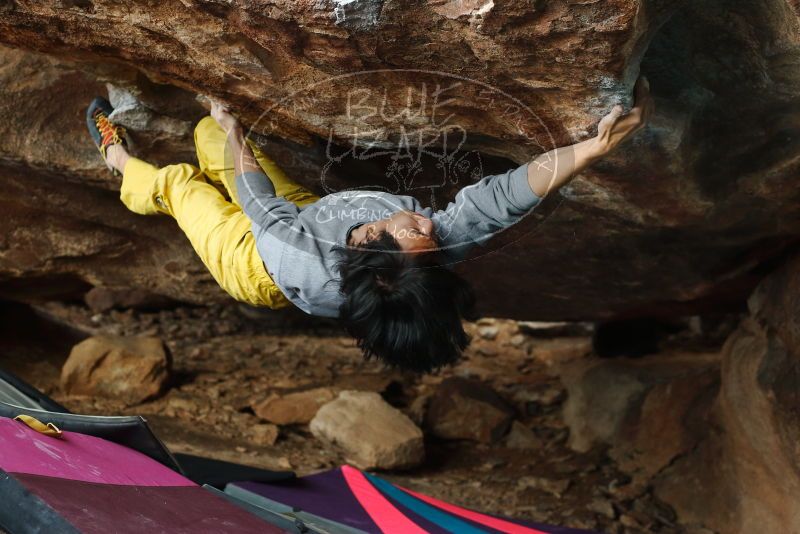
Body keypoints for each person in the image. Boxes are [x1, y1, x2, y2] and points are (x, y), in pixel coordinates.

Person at [86, 78, 653, 372]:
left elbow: (256, 195)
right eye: (430, 238)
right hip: (307, 212)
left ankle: (118, 163)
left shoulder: (299, 250)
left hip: (253, 258)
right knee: (209, 137)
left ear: (369, 244)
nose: (428, 223)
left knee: (184, 182)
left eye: (415, 231)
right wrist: (590, 150)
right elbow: (505, 198)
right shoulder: (422, 255)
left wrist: (231, 122)